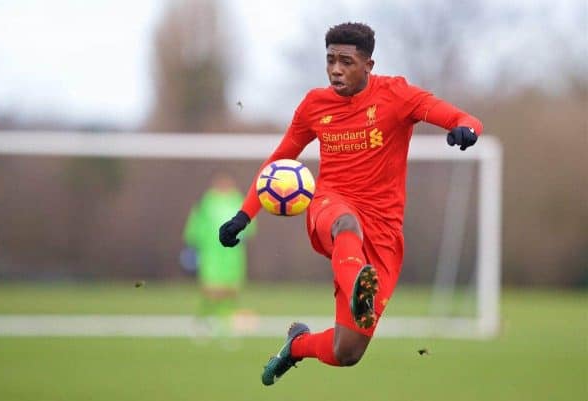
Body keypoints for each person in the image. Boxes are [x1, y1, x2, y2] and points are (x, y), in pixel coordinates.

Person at [218, 22, 483, 385]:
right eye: (330, 60)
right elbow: (280, 161)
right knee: (346, 224)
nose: (335, 70)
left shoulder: (397, 95)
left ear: (369, 65)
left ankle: (297, 345)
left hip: (383, 231)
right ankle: (359, 280)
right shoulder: (314, 104)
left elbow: (461, 118)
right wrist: (243, 215)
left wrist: (466, 130)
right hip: (331, 207)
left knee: (347, 352)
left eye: (346, 61)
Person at [184, 173, 256, 334]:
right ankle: (201, 322)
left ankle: (226, 328)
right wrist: (192, 246)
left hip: (232, 256)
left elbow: (250, 225)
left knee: (230, 292)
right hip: (212, 254)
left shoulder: (239, 201)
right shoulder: (207, 202)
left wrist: (242, 235)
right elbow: (196, 224)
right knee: (212, 290)